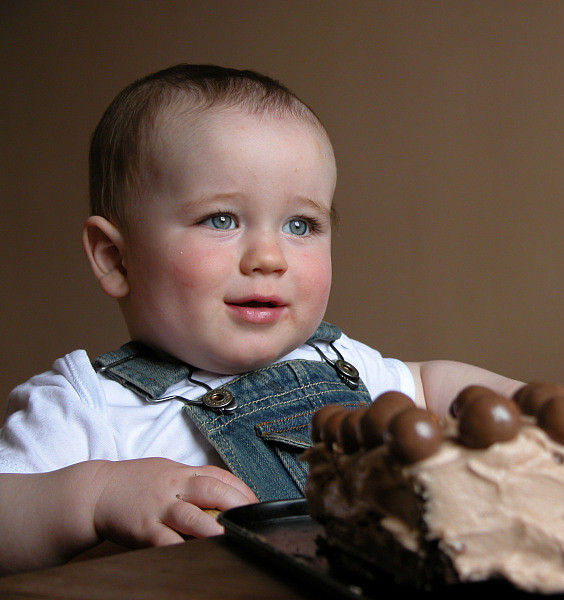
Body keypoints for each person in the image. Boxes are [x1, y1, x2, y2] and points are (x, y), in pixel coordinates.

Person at [0, 64, 523, 573]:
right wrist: (94, 496)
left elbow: (436, 388)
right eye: (221, 219)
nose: (269, 256)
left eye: (301, 224)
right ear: (117, 259)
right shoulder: (87, 408)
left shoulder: (341, 363)